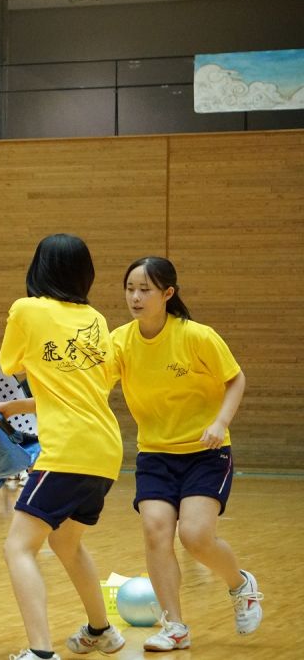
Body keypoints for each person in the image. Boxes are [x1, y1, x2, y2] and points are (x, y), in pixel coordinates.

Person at [0, 234, 125, 660]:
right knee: (66, 543)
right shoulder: (96, 319)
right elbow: (80, 391)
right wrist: (15, 407)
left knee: (18, 547)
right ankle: (101, 631)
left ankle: (40, 653)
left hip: (67, 449)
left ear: (38, 269)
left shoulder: (26, 309)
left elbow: (9, 364)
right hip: (105, 450)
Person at [110, 256, 261, 651]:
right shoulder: (120, 341)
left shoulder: (197, 336)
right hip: (155, 454)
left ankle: (240, 584)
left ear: (168, 294)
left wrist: (220, 422)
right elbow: (90, 387)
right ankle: (174, 626)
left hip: (205, 453)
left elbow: (235, 379)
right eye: (130, 289)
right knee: (156, 531)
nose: (135, 297)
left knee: (194, 536)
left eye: (145, 290)